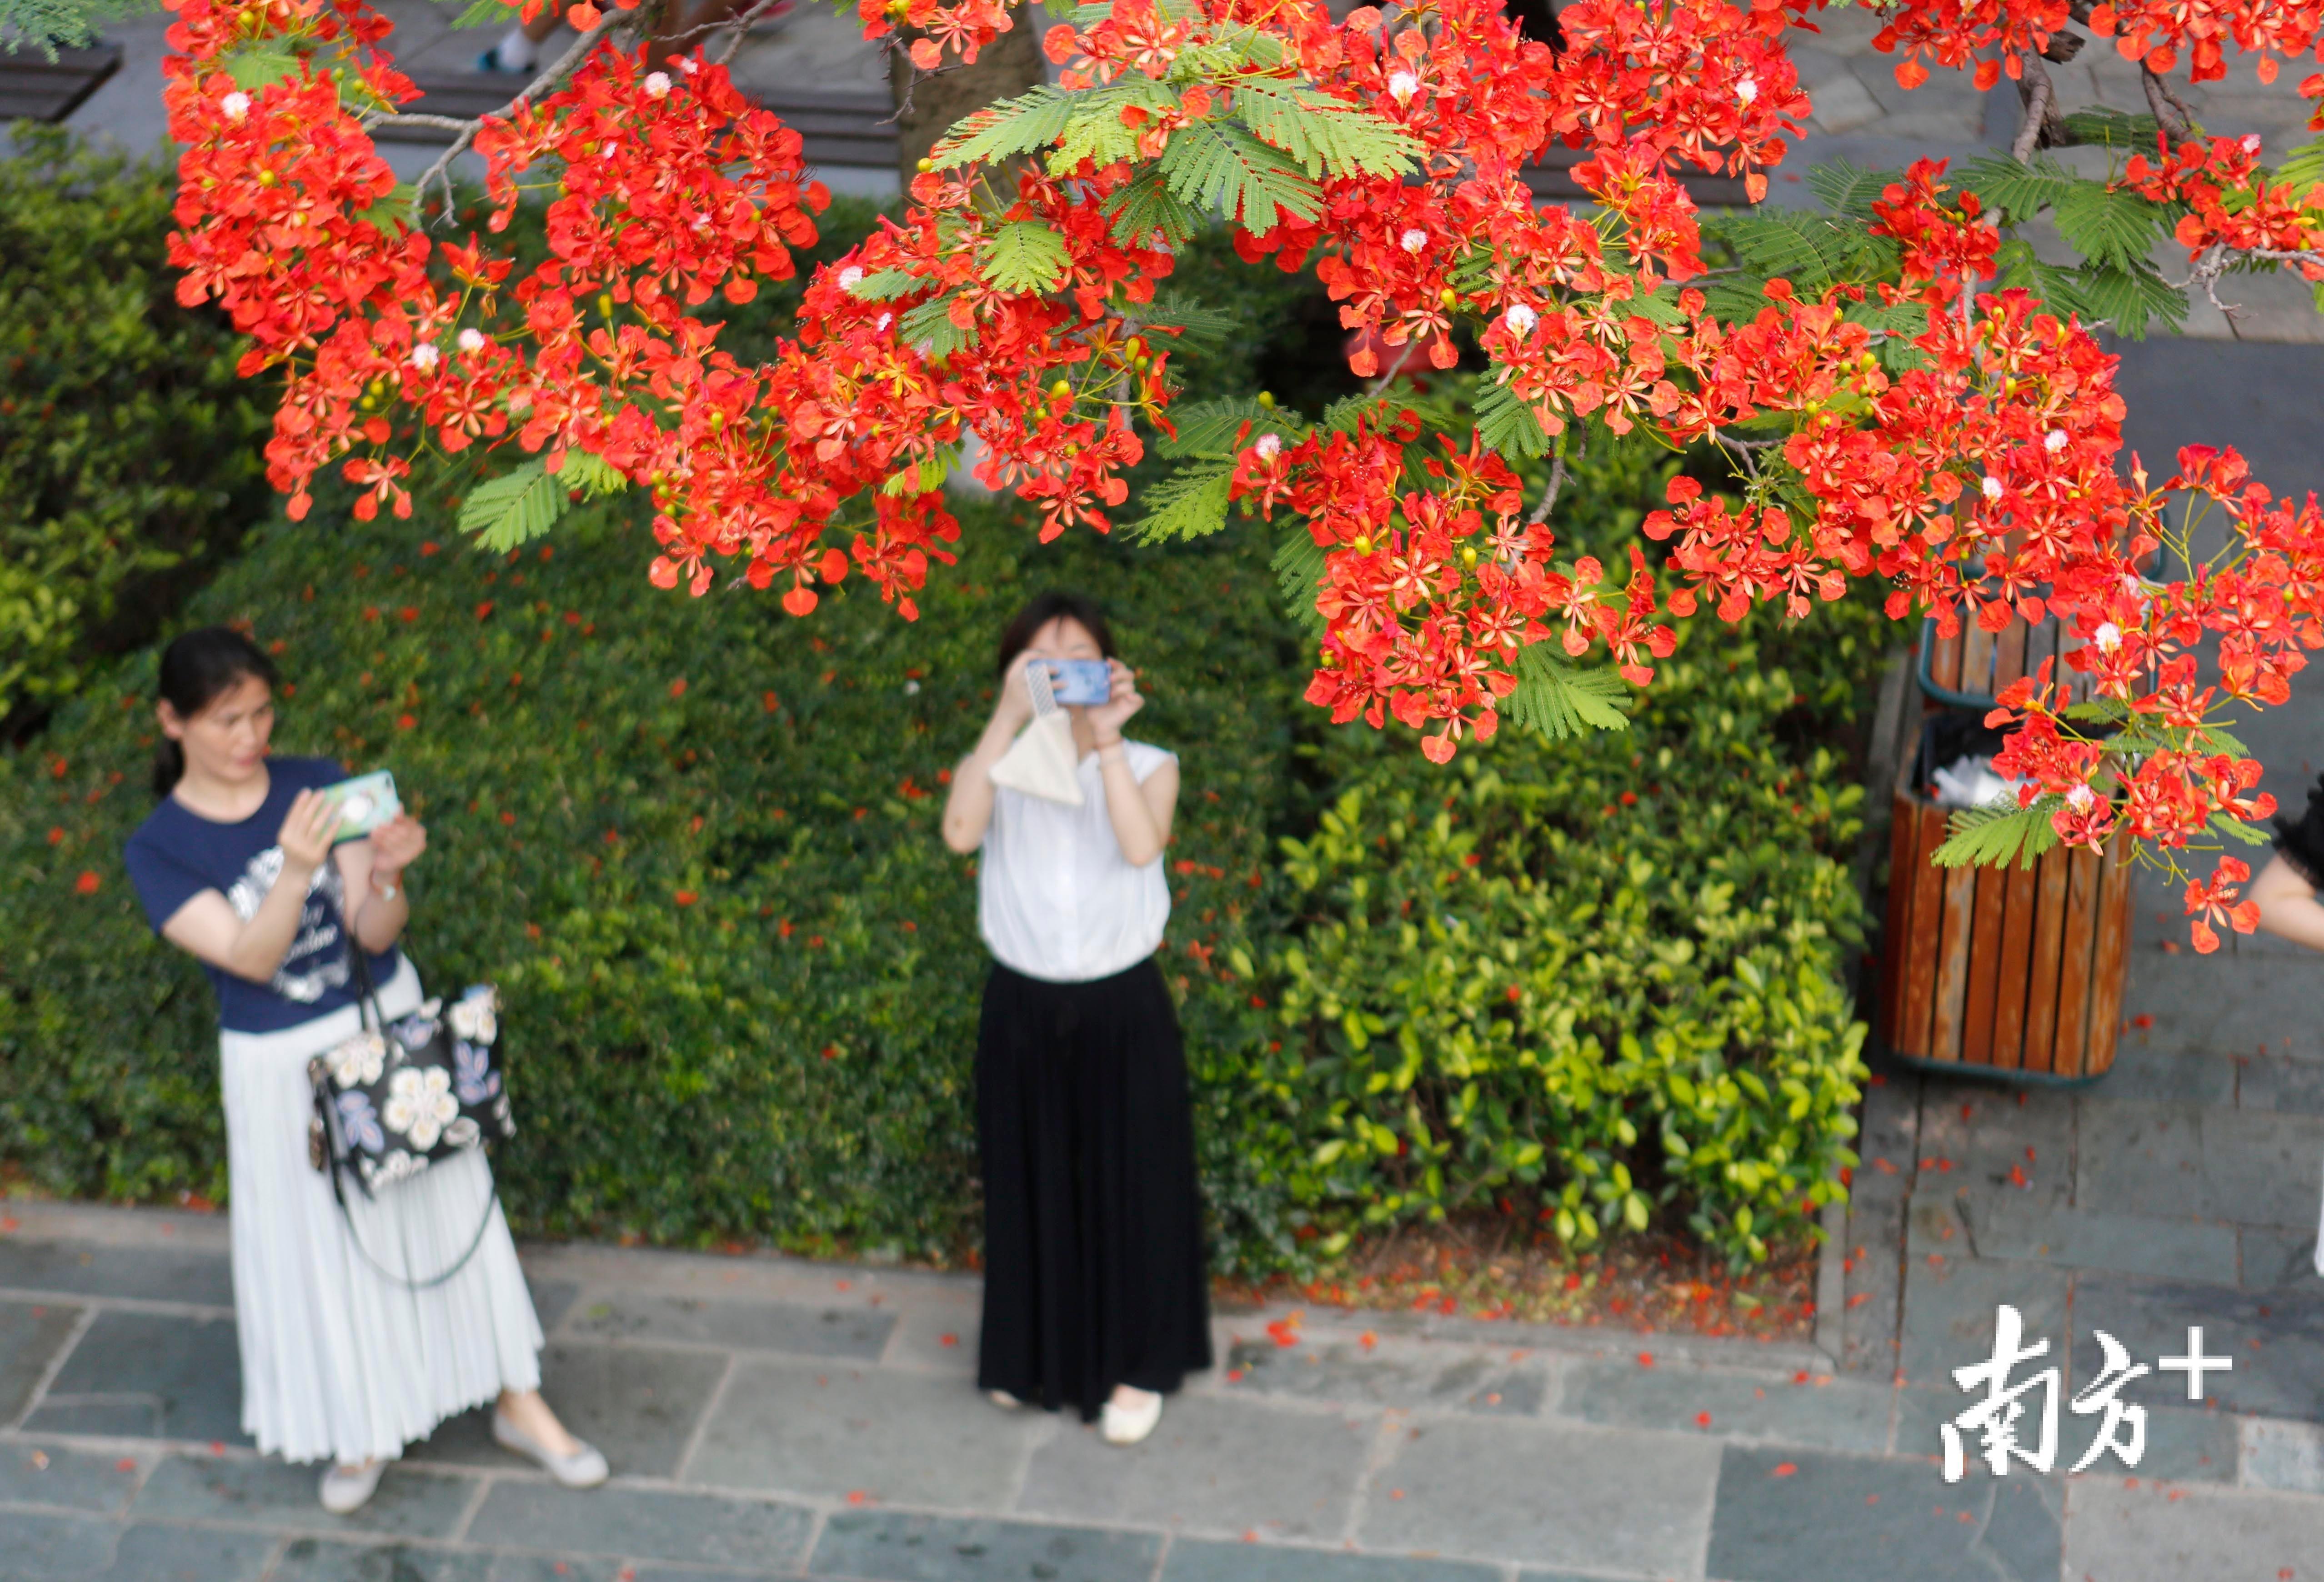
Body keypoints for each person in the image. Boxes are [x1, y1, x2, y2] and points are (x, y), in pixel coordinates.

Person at [122, 627, 606, 1514]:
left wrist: (382, 877)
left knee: (443, 1207)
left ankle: (516, 1399)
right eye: (228, 719)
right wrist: (294, 869)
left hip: (381, 1033)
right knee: (320, 1244)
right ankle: (360, 1420)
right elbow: (251, 961)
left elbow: (374, 934)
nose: (251, 736)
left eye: (263, 712)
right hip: (278, 1062)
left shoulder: (316, 783)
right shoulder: (160, 847)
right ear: (171, 721)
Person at [938, 592, 1212, 1445]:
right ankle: (1032, 1358)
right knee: (1030, 1183)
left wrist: (1105, 740)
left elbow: (1139, 847)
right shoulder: (1002, 760)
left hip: (1120, 1003)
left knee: (1137, 1185)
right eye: (1041, 661)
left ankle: (1139, 1366)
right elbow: (958, 833)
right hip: (1020, 1002)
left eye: (1078, 660)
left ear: (1111, 668)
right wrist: (1010, 715)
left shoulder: (1149, 761)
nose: (1062, 675)